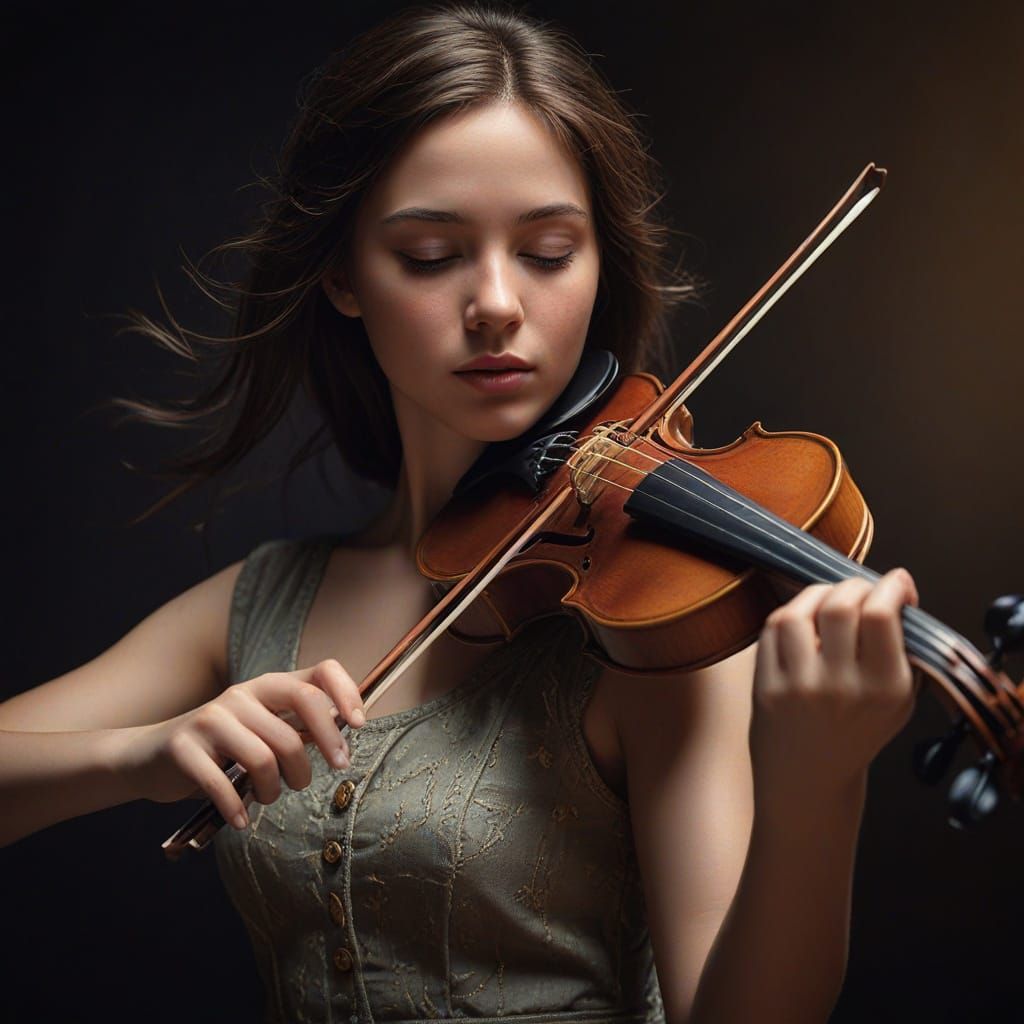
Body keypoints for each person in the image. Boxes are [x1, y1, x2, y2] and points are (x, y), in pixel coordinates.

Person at [0, 4, 919, 1022]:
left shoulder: (659, 628)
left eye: (549, 251)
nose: (497, 304)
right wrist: (136, 754)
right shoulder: (261, 603)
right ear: (343, 275)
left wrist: (816, 787)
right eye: (433, 254)